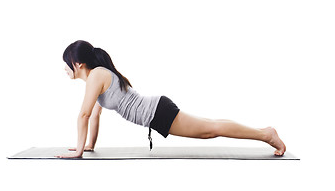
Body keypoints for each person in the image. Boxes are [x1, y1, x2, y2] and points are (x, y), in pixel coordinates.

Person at [55, 40, 286, 158]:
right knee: (210, 126)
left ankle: (266, 134)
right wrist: (88, 146)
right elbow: (94, 115)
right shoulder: (97, 78)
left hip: (158, 112)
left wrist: (77, 152)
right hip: (157, 111)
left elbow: (83, 115)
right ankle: (264, 133)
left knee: (210, 129)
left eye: (66, 64)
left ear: (77, 63)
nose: (65, 69)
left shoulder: (96, 75)